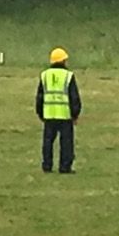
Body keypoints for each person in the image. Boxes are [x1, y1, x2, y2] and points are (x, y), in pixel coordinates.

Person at [36, 46, 82, 174]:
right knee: (66, 143)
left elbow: (40, 96)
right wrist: (75, 114)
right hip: (65, 115)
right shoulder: (68, 76)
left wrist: (40, 113)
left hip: (49, 115)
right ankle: (65, 167)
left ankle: (47, 166)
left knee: (47, 142)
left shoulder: (44, 75)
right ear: (62, 61)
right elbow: (74, 97)